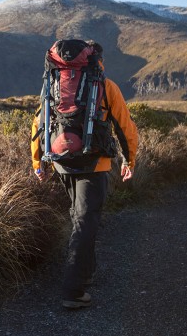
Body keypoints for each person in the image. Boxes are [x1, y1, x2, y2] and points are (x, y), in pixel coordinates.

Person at [30, 40, 138, 309]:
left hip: (61, 161)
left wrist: (38, 162)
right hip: (95, 162)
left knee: (79, 216)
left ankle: (85, 272)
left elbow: (39, 123)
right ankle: (73, 291)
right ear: (96, 60)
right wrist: (129, 160)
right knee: (85, 222)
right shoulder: (104, 86)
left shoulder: (54, 83)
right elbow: (125, 127)